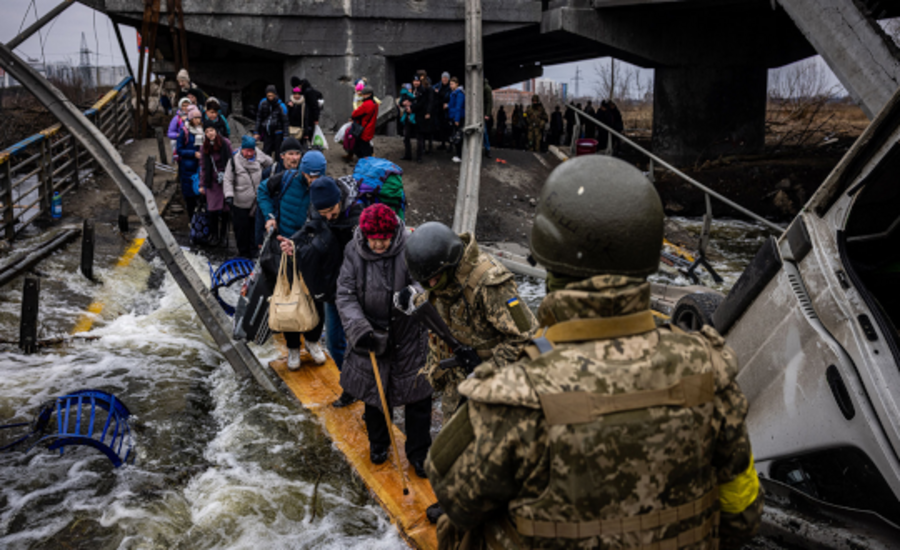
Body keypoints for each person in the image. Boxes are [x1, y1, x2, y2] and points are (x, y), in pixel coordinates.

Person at [425, 155, 764, 549]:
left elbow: (454, 502)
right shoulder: (710, 368)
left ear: (550, 263)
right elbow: (742, 516)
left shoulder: (513, 395)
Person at [402, 221, 537, 419]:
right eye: (426, 281)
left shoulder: (490, 284)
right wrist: (413, 300)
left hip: (495, 388)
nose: (431, 284)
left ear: (449, 264)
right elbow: (440, 298)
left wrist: (486, 371)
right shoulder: (443, 277)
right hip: (456, 386)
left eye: (435, 278)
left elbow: (527, 337)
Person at [336, 204, 433, 475]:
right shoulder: (353, 251)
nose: (379, 245)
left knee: (418, 399)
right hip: (371, 335)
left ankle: (419, 453)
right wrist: (359, 328)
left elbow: (425, 281)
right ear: (365, 236)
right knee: (375, 394)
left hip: (409, 334)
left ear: (393, 233)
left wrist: (412, 294)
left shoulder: (411, 246)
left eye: (384, 239)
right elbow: (345, 294)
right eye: (374, 240)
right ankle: (378, 443)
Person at [278, 176, 363, 404]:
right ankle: (350, 387)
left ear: (340, 201)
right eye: (322, 211)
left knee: (360, 343)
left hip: (358, 290)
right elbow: (310, 230)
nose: (327, 216)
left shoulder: (357, 215)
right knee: (335, 343)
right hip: (332, 287)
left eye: (331, 211)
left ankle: (368, 390)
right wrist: (293, 243)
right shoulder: (317, 210)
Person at [258, 143, 329, 369]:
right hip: (286, 247)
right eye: (309, 176)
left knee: (317, 298)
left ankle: (312, 341)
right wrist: (269, 216)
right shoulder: (286, 178)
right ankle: (292, 348)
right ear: (302, 171)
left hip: (312, 250)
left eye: (318, 176)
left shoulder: (326, 187)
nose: (313, 181)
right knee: (288, 297)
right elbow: (262, 190)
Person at [224, 135, 274, 259]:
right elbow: (228, 180)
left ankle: (253, 253)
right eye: (246, 150)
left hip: (256, 204)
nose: (249, 153)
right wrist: (229, 195)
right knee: (241, 231)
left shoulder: (260, 156)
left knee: (255, 230)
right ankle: (243, 254)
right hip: (239, 203)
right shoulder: (234, 161)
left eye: (251, 150)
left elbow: (272, 165)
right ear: (242, 149)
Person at [198, 120, 233, 247]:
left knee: (225, 210)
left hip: (225, 180)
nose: (210, 133)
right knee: (212, 209)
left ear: (216, 130)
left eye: (211, 130)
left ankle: (224, 236)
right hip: (212, 181)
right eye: (207, 131)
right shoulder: (204, 147)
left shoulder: (225, 143)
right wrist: (201, 185)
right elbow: (203, 166)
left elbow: (231, 160)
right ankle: (214, 235)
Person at [176, 106, 204, 222]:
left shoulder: (201, 131)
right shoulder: (185, 131)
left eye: (199, 118)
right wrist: (193, 154)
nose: (198, 120)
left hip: (199, 167)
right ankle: (191, 219)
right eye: (195, 118)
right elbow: (179, 150)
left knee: (200, 194)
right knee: (190, 197)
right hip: (187, 168)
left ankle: (199, 219)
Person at [254, 85, 289, 161]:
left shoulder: (281, 106)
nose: (270, 97)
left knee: (278, 153)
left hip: (278, 132)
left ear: (275, 95)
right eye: (268, 95)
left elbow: (285, 122)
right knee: (266, 152)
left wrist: (286, 135)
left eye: (271, 95)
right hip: (267, 131)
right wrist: (256, 131)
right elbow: (259, 118)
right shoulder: (263, 103)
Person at [348, 86, 379, 160]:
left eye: (364, 94)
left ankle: (366, 163)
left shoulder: (367, 104)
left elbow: (355, 113)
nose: (363, 96)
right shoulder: (375, 104)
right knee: (365, 146)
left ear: (369, 94)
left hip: (363, 129)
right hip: (369, 128)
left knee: (361, 148)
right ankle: (366, 160)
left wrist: (353, 116)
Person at [168, 97, 192, 163]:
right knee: (173, 142)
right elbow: (170, 133)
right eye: (184, 105)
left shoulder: (195, 116)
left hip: (192, 138)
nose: (186, 107)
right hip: (181, 138)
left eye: (188, 105)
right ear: (180, 106)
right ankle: (177, 158)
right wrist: (178, 135)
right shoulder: (176, 118)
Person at [399, 84, 419, 162]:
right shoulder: (411, 94)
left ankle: (410, 155)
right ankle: (412, 155)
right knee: (408, 136)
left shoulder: (416, 93)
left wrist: (410, 105)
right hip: (410, 117)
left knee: (409, 136)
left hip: (412, 116)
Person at [447, 77, 465, 163]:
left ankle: (460, 155)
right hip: (454, 116)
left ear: (457, 84)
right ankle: (458, 154)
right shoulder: (454, 93)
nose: (450, 86)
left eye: (452, 84)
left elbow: (458, 107)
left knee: (458, 137)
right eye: (450, 84)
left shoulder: (459, 94)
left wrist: (457, 119)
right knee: (456, 136)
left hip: (458, 117)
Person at [434, 72, 452, 151]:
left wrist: (448, 105)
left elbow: (451, 98)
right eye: (443, 78)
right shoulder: (439, 85)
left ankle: (450, 145)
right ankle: (443, 144)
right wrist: (435, 90)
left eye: (446, 78)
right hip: (439, 110)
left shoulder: (450, 87)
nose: (444, 79)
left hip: (447, 110)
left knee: (449, 129)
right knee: (441, 128)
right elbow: (432, 87)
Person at [483, 78, 493, 159]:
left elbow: (489, 102)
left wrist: (487, 114)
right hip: (478, 112)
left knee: (484, 131)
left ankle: (487, 149)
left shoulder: (486, 88)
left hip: (483, 113)